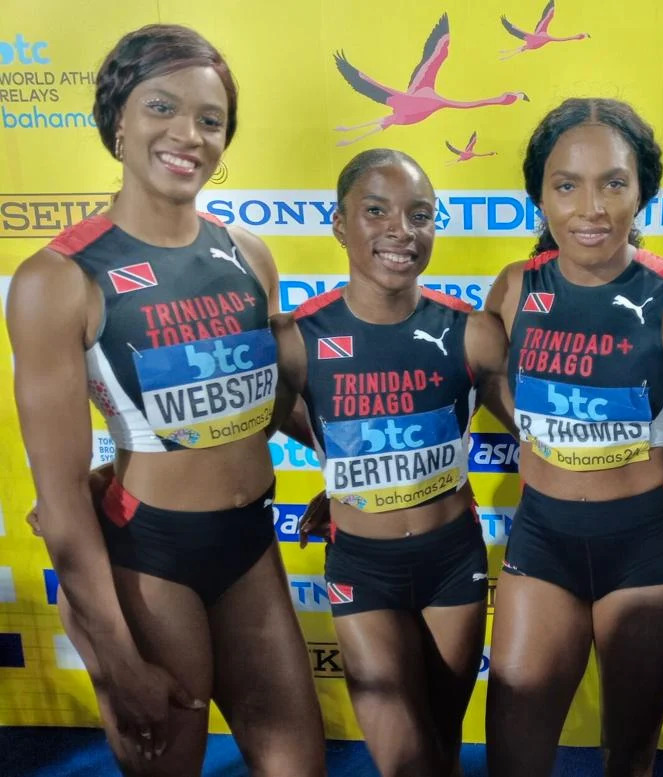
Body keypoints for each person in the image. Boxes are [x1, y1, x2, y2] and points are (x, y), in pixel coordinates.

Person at [6, 24, 325, 776]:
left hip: (250, 547)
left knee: (298, 763)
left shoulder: (248, 254)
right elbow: (58, 499)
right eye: (162, 108)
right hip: (151, 561)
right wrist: (116, 658)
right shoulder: (57, 279)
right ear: (118, 120)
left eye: (209, 121)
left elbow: (271, 403)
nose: (188, 135)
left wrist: (371, 478)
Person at [483, 97, 663, 777]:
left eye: (613, 183)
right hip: (542, 542)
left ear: (641, 192)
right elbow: (488, 385)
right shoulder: (511, 289)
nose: (590, 208)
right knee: (511, 755)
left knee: (628, 755)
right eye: (566, 185)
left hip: (645, 552)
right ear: (538, 195)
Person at [270, 148, 514, 777]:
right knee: (407, 760)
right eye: (376, 211)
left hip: (453, 560)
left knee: (442, 737)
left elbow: (547, 434)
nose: (400, 230)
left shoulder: (474, 332)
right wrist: (340, 461)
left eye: (419, 214)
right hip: (363, 567)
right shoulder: (298, 339)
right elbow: (249, 425)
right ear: (339, 224)